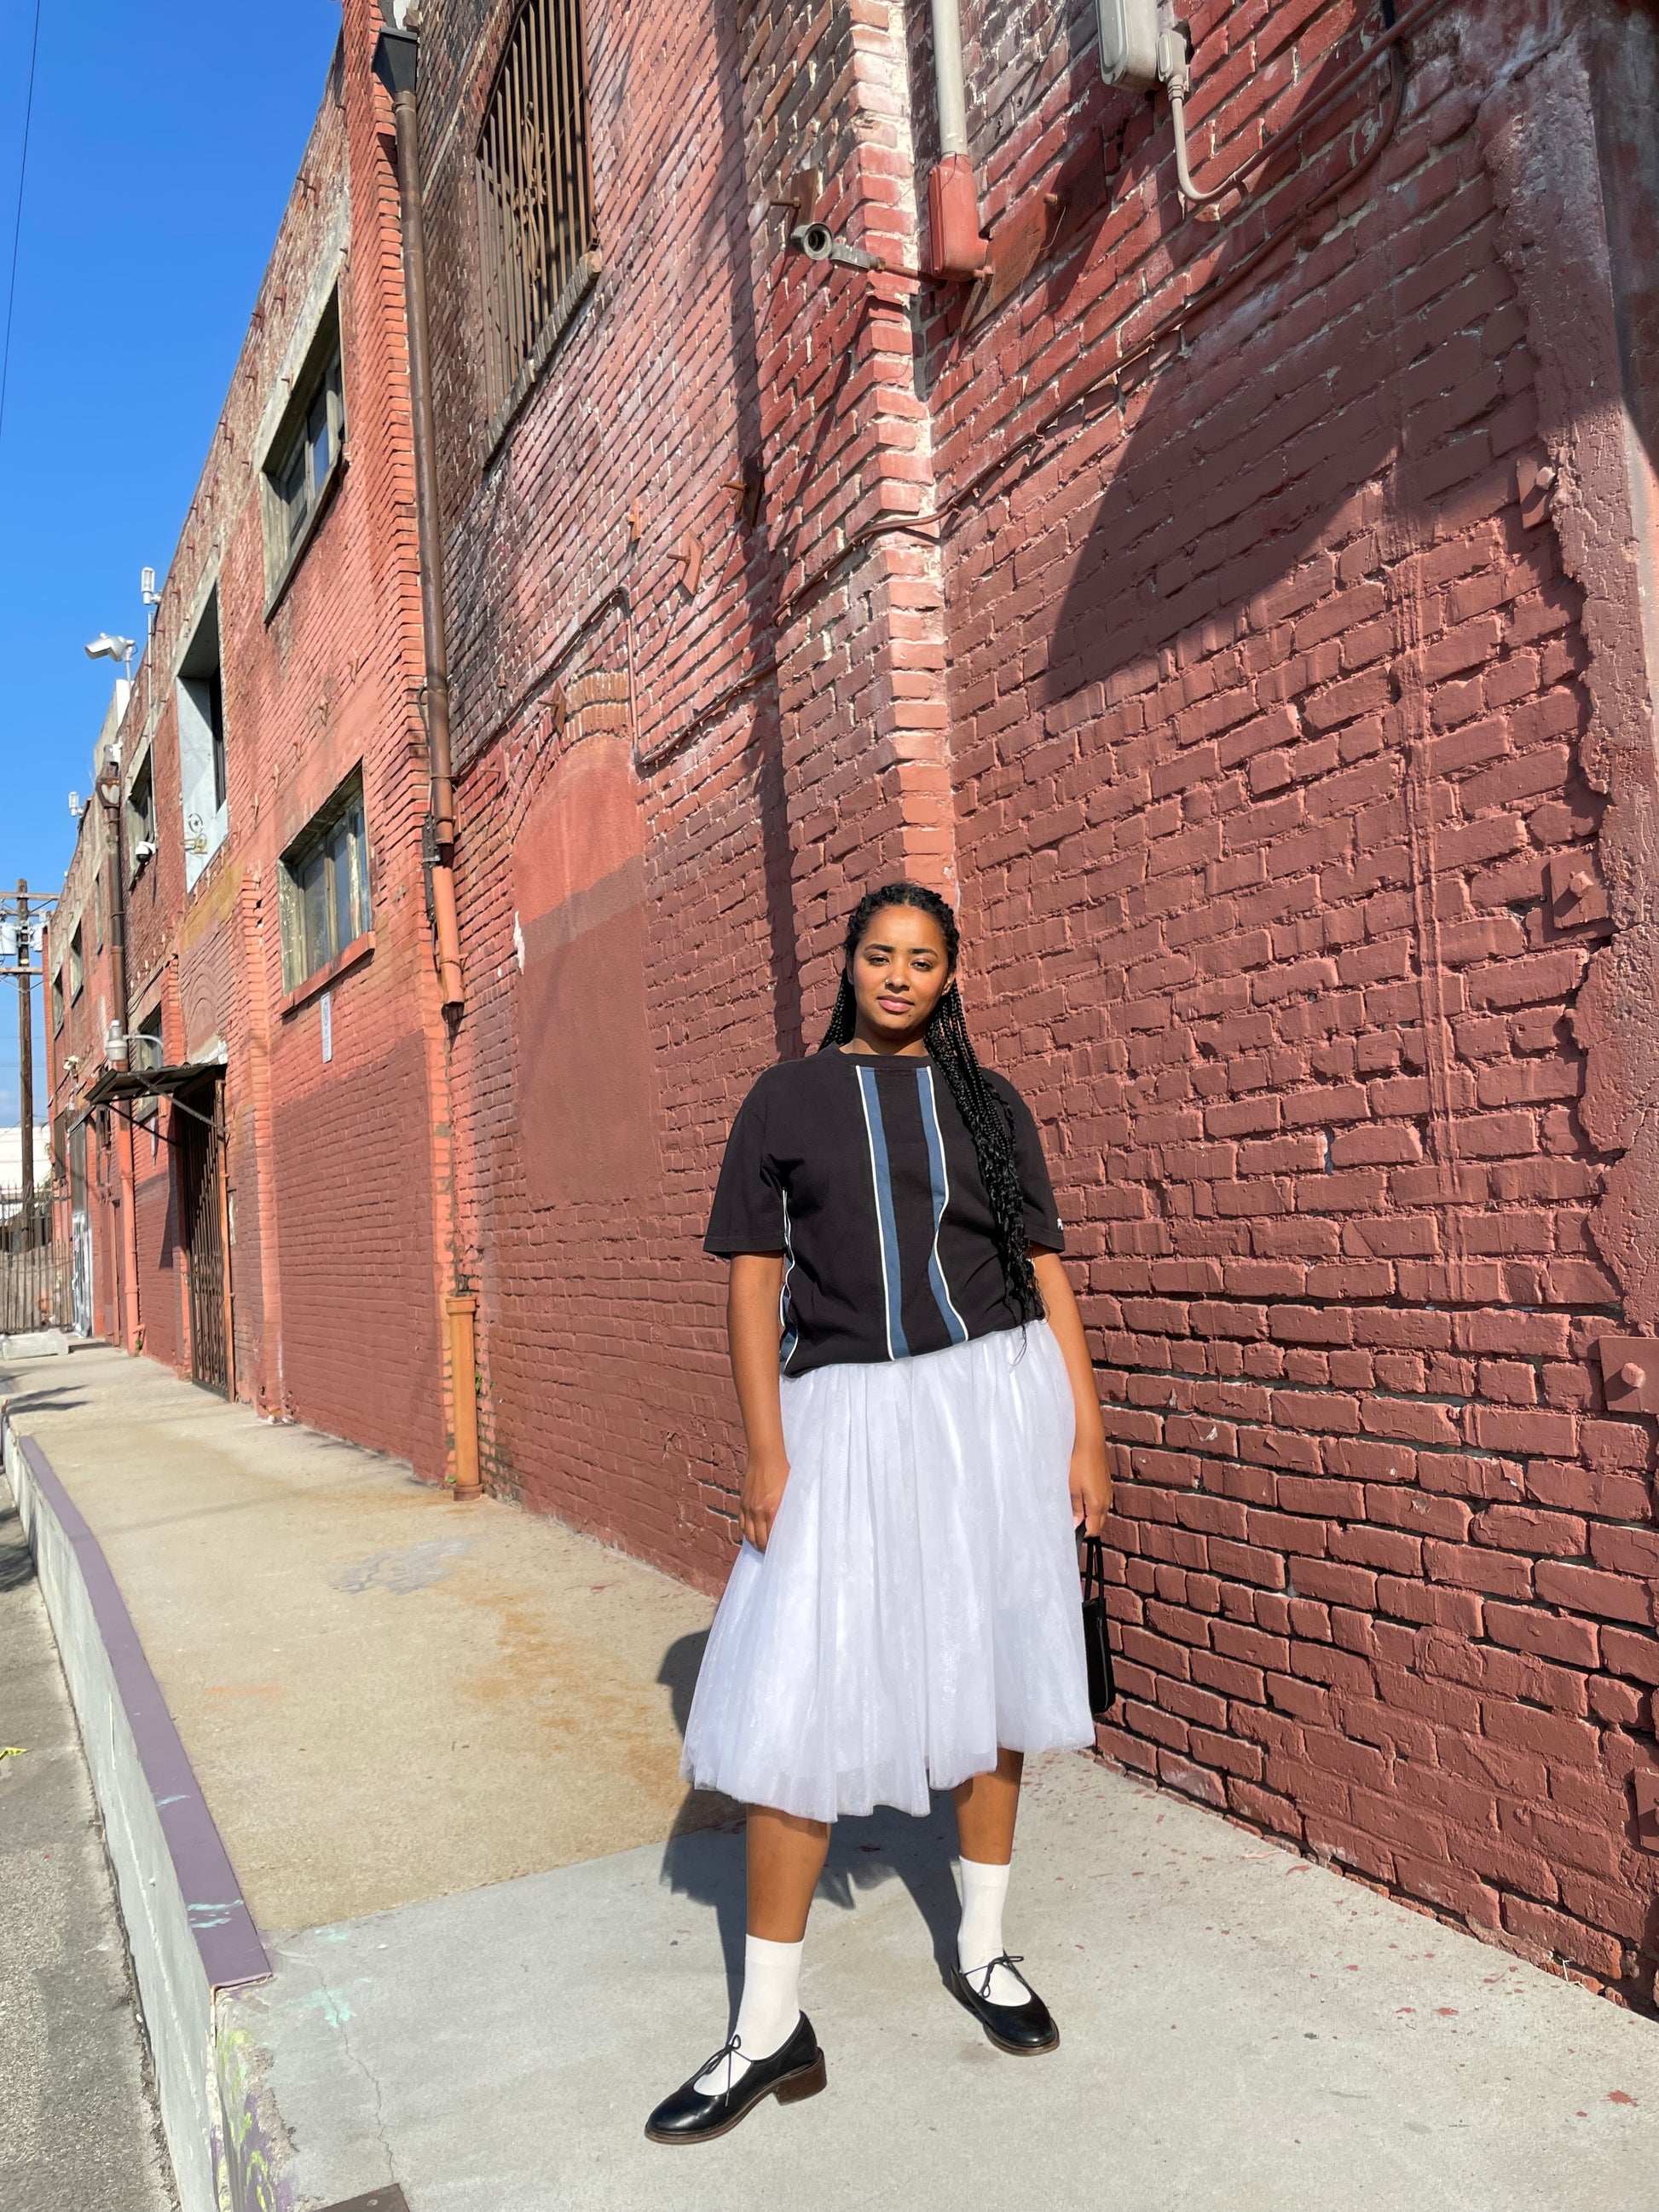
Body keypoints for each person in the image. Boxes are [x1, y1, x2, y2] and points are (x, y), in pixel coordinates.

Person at [645, 882, 1114, 2146]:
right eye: (877, 955)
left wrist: (1086, 1425)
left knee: (992, 1680)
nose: (897, 975)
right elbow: (750, 1289)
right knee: (793, 1703)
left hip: (992, 1407)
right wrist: (762, 1448)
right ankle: (765, 2029)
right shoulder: (783, 1101)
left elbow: (1046, 1272)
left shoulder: (990, 1102)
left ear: (949, 975)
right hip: (839, 1418)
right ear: (846, 965)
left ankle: (987, 1950)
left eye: (921, 960)